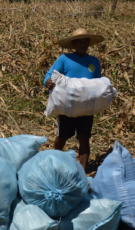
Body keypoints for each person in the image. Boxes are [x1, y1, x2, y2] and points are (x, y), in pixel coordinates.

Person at [44, 28, 105, 171]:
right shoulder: (64, 59)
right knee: (62, 137)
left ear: (88, 44)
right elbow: (48, 75)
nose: (82, 44)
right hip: (67, 106)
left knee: (84, 137)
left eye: (85, 41)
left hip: (86, 107)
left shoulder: (94, 62)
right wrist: (47, 82)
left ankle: (82, 171)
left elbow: (97, 83)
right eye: (79, 41)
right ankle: (54, 161)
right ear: (74, 44)